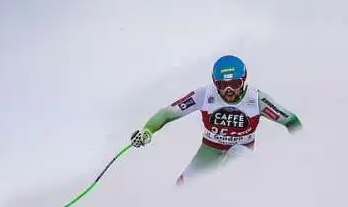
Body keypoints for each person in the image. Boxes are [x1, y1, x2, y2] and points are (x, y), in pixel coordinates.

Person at [130, 54, 303, 185]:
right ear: (214, 82)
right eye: (221, 85)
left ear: (243, 81)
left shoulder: (256, 100)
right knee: (182, 187)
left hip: (241, 150)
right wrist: (147, 130)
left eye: (235, 84)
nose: (228, 90)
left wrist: (303, 150)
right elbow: (167, 114)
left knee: (234, 169)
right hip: (210, 149)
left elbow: (291, 120)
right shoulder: (204, 95)